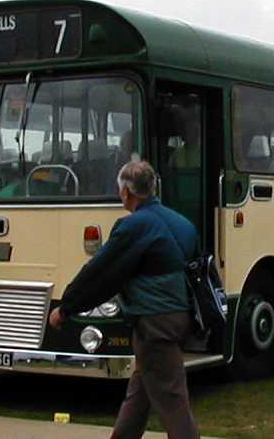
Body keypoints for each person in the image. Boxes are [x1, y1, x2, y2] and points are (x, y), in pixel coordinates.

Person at [49, 160, 200, 439]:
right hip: (178, 315)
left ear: (127, 193)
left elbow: (100, 271)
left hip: (154, 321)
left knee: (171, 398)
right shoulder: (182, 223)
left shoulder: (133, 226)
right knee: (140, 393)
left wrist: (66, 307)